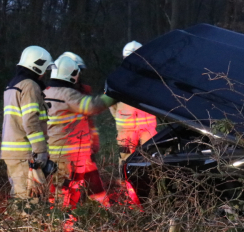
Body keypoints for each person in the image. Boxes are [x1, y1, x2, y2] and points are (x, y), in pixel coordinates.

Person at [44, 55, 116, 208]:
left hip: (56, 153)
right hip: (70, 155)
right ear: (72, 74)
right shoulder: (66, 94)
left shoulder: (46, 92)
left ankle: (59, 223)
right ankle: (63, 225)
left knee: (59, 191)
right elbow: (92, 106)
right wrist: (114, 96)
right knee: (68, 192)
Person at [1, 46, 53, 209]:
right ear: (38, 65)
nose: (45, 74)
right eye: (45, 69)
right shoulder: (30, 86)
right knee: (30, 201)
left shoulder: (12, 85)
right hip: (25, 153)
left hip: (13, 153)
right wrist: (40, 151)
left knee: (20, 196)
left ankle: (17, 231)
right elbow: (30, 121)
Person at [109, 41, 157, 168]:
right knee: (125, 160)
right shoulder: (117, 78)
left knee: (150, 158)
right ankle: (125, 187)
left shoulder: (150, 78)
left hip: (147, 129)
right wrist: (121, 119)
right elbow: (110, 101)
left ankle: (149, 186)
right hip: (127, 130)